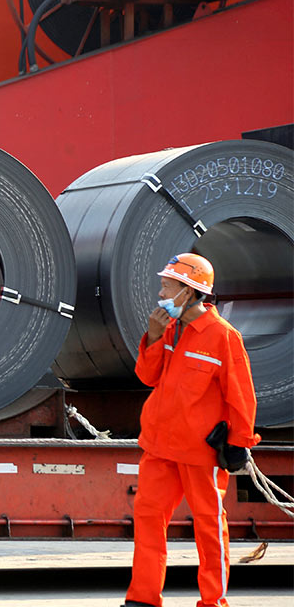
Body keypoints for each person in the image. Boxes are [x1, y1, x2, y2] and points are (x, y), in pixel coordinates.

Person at [123, 253, 260, 607]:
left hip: (200, 452)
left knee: (209, 527)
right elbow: (147, 377)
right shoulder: (169, 329)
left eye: (167, 286)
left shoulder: (223, 337)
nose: (160, 293)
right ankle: (142, 598)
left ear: (189, 291)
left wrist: (240, 442)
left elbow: (241, 395)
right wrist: (153, 337)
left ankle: (213, 601)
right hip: (159, 447)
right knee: (149, 519)